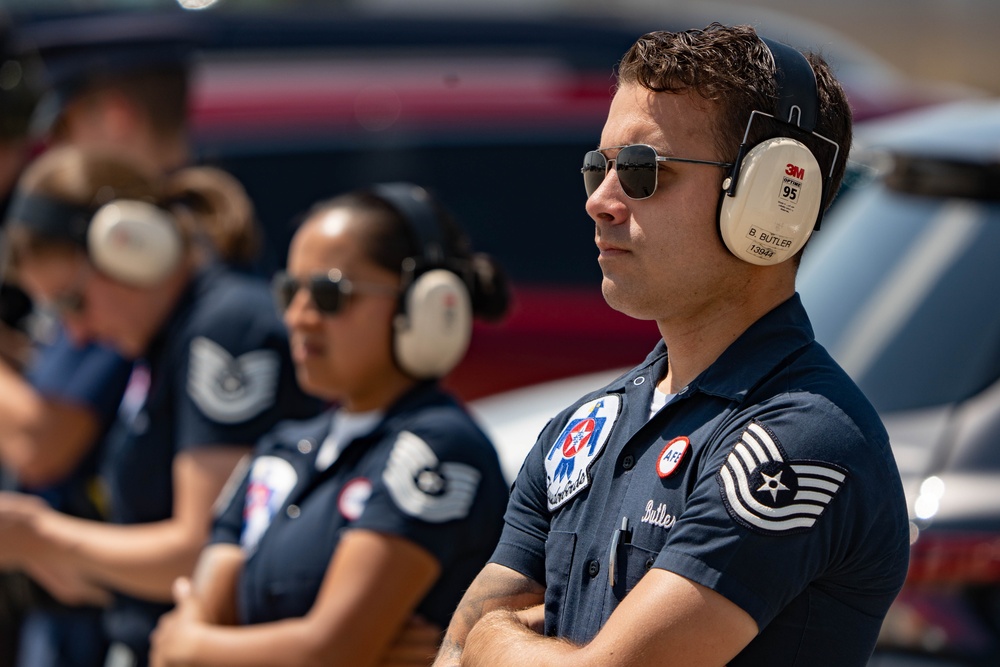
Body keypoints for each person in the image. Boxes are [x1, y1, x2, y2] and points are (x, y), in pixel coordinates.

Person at [432, 23, 910, 667]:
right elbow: (451, 654)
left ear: (774, 200)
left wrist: (496, 638)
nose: (600, 200)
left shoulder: (801, 438)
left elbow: (492, 641)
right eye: (597, 167)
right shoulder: (584, 427)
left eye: (641, 170)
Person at [147, 183, 511, 667]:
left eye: (328, 293)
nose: (298, 316)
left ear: (423, 304)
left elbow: (326, 651)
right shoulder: (279, 450)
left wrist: (193, 645)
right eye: (289, 291)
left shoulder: (440, 446)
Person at [0, 144, 323, 667]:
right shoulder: (167, 340)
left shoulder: (224, 329)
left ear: (133, 246)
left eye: (73, 302)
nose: (75, 333)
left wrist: (42, 536)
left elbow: (202, 550)